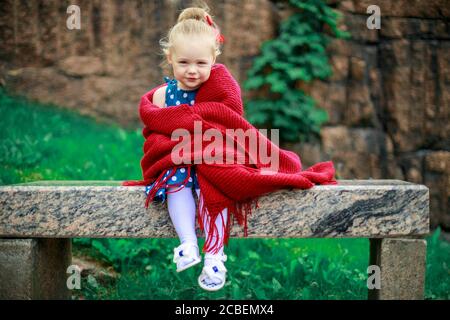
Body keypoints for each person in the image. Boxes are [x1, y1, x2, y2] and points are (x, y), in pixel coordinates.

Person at [145, 6, 228, 292]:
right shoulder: (161, 94)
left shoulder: (220, 89)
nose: (192, 70)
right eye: (183, 62)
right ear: (169, 58)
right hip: (178, 161)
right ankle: (188, 244)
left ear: (213, 60)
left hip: (213, 159)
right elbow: (156, 134)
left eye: (201, 63)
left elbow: (231, 123)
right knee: (175, 183)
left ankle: (215, 256)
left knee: (219, 184)